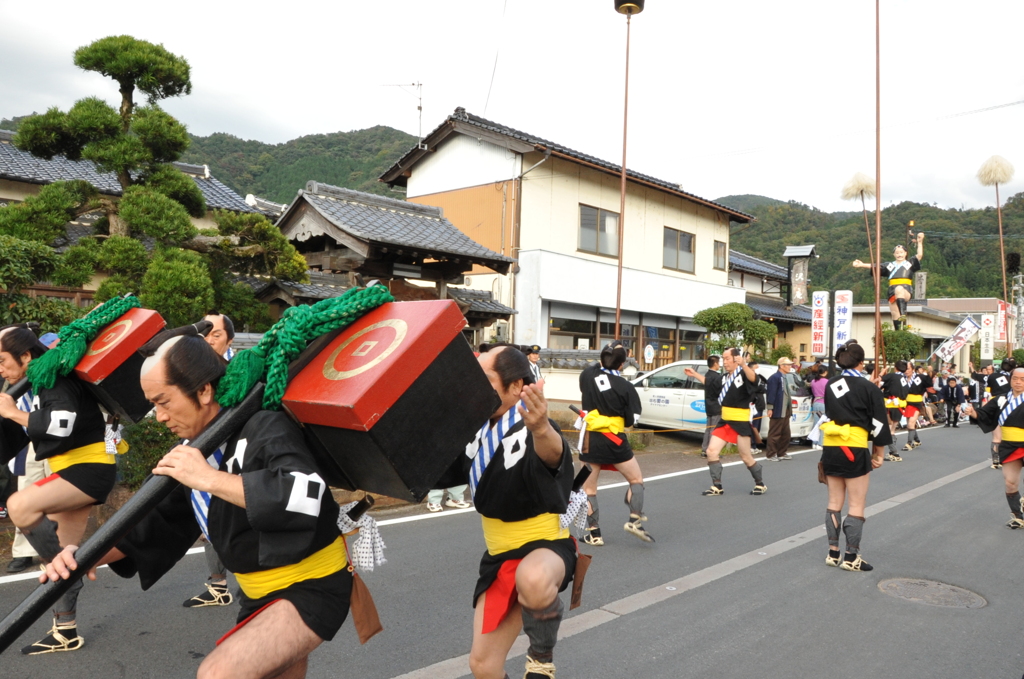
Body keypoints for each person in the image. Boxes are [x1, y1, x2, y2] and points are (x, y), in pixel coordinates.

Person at [42, 332, 355, 678]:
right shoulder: (197, 447)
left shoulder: (265, 425)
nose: (159, 416)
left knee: (218, 673)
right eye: (153, 405)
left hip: (312, 584)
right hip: (256, 595)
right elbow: (150, 522)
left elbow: (305, 494)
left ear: (204, 390)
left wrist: (209, 478)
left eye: (163, 401)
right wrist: (81, 554)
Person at [433, 344, 577, 679]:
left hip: (545, 546)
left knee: (534, 577)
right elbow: (435, 466)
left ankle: (541, 661)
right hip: (499, 554)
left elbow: (553, 453)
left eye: (484, 379)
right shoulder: (476, 427)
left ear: (515, 387)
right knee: (483, 666)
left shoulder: (535, 424)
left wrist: (540, 428)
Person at [0, 325, 114, 654]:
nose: (1, 368)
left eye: (3, 359)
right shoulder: (39, 379)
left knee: (19, 505)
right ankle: (65, 630)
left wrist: (13, 412)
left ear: (25, 356)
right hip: (77, 468)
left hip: (88, 468)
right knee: (65, 550)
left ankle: (62, 572)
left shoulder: (54, 377)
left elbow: (59, 424)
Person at [182, 312, 239, 608]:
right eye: (203, 334)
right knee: (209, 521)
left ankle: (252, 585)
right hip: (200, 456)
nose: (208, 339)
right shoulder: (191, 370)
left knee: (236, 521)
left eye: (215, 334)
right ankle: (218, 584)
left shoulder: (240, 369)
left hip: (234, 458)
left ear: (229, 338)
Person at [819, 342, 890, 571]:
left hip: (831, 446)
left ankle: (832, 553)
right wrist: (879, 453)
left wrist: (870, 387)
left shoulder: (831, 383)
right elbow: (878, 423)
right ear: (862, 362)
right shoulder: (869, 388)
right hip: (854, 447)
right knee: (857, 504)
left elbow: (846, 399)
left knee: (833, 503)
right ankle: (851, 557)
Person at [579, 343, 651, 545]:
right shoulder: (626, 387)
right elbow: (631, 419)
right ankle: (635, 519)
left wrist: (610, 350)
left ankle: (594, 534)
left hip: (590, 439)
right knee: (636, 480)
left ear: (602, 359)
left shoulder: (586, 376)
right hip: (615, 439)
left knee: (589, 489)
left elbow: (596, 368)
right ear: (622, 365)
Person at [693, 348, 766, 496]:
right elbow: (710, 384)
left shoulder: (743, 374)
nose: (724, 362)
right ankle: (717, 486)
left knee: (746, 457)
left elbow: (754, 380)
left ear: (736, 359)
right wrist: (694, 374)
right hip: (725, 420)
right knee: (711, 451)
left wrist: (744, 365)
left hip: (740, 421)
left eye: (727, 359)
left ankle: (760, 483)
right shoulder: (724, 377)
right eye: (723, 359)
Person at [962, 368, 1024, 529]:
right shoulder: (1001, 398)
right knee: (1010, 482)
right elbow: (984, 414)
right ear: (1010, 380)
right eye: (1015, 378)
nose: (1018, 382)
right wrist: (972, 412)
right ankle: (1018, 516)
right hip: (1009, 444)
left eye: (1022, 379)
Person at [850, 231, 924, 331]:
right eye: (897, 253)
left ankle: (903, 314)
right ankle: (898, 333)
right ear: (894, 254)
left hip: (905, 288)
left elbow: (919, 255)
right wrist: (862, 265)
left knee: (899, 289)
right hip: (891, 290)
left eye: (901, 252)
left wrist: (920, 242)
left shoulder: (909, 263)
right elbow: (876, 266)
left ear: (905, 253)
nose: (899, 254)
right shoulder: (890, 265)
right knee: (894, 313)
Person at [971, 359, 1015, 468]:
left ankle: (996, 460)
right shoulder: (1015, 377)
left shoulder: (993, 376)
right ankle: (1009, 457)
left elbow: (980, 380)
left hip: (996, 403)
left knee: (996, 436)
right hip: (1012, 404)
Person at [684, 355, 721, 459]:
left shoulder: (708, 374)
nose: (719, 365)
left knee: (708, 429)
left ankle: (705, 449)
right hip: (716, 406)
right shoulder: (717, 377)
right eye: (718, 363)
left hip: (708, 405)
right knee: (714, 429)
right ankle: (711, 450)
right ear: (715, 364)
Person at [765, 357, 798, 461]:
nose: (790, 367)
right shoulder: (774, 378)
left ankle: (781, 453)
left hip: (785, 409)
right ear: (782, 366)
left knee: (786, 433)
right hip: (778, 408)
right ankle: (771, 454)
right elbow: (771, 394)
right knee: (775, 433)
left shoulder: (784, 377)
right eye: (788, 365)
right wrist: (770, 407)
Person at [880, 361, 909, 461]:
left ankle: (895, 453)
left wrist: (881, 373)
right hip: (899, 405)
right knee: (892, 430)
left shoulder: (892, 376)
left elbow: (879, 382)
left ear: (896, 368)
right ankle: (892, 452)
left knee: (888, 429)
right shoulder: (904, 379)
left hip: (889, 404)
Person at [902, 362, 928, 451]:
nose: (906, 371)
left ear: (913, 370)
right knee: (910, 423)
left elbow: (927, 385)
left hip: (917, 403)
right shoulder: (903, 379)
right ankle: (917, 440)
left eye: (908, 369)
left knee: (910, 423)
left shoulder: (919, 378)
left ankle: (909, 443)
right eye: (905, 369)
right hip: (907, 403)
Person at [747, 360, 768, 451]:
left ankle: (755, 444)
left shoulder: (760, 377)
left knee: (757, 426)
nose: (758, 369)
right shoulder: (748, 378)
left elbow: (765, 387)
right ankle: (751, 445)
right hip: (752, 405)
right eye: (756, 368)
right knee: (753, 426)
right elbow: (756, 388)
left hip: (760, 405)